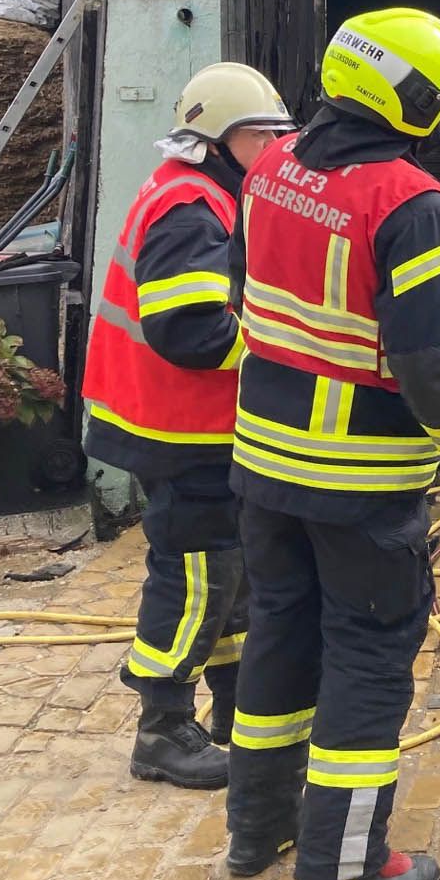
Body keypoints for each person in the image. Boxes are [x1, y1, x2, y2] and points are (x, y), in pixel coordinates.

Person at [224, 7, 440, 880]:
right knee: (368, 661)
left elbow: (247, 295)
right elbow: (436, 364)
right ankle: (344, 873)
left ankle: (258, 828)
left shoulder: (272, 168)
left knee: (280, 638)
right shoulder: (411, 203)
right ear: (411, 98)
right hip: (359, 482)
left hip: (264, 468)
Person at [82, 63, 292, 789]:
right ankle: (163, 726)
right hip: (177, 428)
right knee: (199, 574)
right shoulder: (193, 207)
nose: (275, 150)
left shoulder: (198, 193)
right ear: (221, 139)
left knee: (229, 573)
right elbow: (190, 330)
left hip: (176, 422)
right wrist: (276, 349)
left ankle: (234, 709)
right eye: (263, 136)